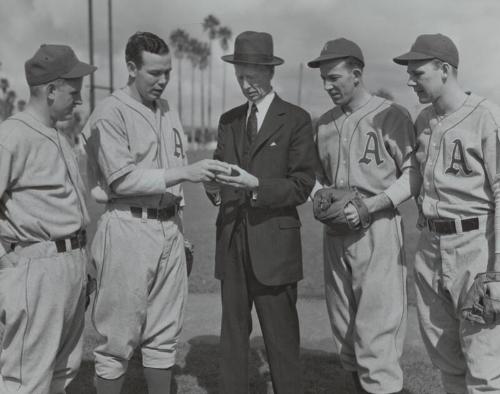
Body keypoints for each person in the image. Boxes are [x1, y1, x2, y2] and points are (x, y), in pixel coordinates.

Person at [82, 31, 228, 394]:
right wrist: (184, 174)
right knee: (116, 341)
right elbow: (121, 180)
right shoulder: (111, 112)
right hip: (128, 227)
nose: (163, 81)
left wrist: (180, 227)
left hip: (167, 227)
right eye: (154, 73)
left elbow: (172, 173)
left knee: (164, 338)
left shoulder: (167, 110)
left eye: (167, 72)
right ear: (131, 68)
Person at [206, 30, 317, 394]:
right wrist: (214, 188)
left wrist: (257, 186)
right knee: (233, 340)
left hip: (275, 249)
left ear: (270, 73)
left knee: (282, 343)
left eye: (252, 76)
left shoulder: (297, 119)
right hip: (232, 243)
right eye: (240, 76)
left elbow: (302, 184)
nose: (246, 84)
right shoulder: (229, 120)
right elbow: (222, 172)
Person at [307, 38, 420, 393]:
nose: (327, 85)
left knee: (377, 332)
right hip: (336, 236)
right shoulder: (324, 124)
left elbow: (412, 175)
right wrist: (321, 200)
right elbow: (314, 179)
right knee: (344, 331)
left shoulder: (392, 115)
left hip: (379, 231)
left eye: (334, 77)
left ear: (356, 74)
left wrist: (371, 205)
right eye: (323, 78)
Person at [393, 33, 500, 394]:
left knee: (484, 367)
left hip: (475, 247)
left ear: (444, 69)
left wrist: (498, 269)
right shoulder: (424, 119)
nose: (410, 81)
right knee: (446, 361)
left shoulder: (485, 116)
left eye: (418, 73)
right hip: (430, 245)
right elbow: (414, 176)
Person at [0, 44, 96, 394]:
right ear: (51, 89)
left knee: (64, 372)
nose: (79, 101)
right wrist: (6, 260)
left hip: (69, 266)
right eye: (74, 92)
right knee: (26, 379)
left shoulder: (58, 135)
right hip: (35, 269)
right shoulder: (12, 136)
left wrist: (81, 263)